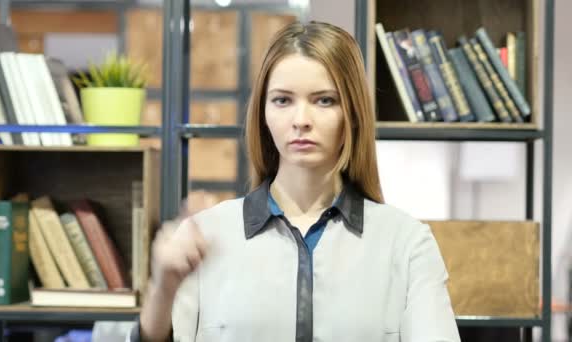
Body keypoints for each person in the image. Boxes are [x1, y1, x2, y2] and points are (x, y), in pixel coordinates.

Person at [129, 21, 460, 342]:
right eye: (282, 100)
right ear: (263, 113)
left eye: (324, 100)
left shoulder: (406, 243)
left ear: (353, 113)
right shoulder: (204, 236)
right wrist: (164, 287)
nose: (301, 120)